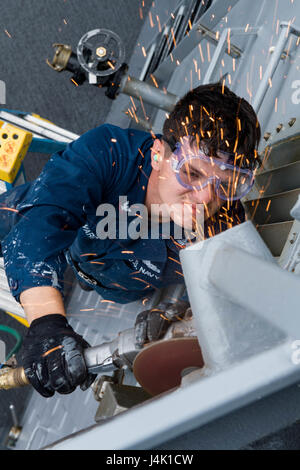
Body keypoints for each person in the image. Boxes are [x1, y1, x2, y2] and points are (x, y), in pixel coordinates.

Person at [0, 82, 261, 397]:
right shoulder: (108, 153)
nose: (206, 198)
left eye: (225, 184)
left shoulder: (224, 226)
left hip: (119, 286)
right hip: (66, 238)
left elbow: (221, 297)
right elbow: (38, 227)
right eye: (191, 174)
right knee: (26, 223)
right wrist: (46, 325)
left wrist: (174, 306)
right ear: (157, 155)